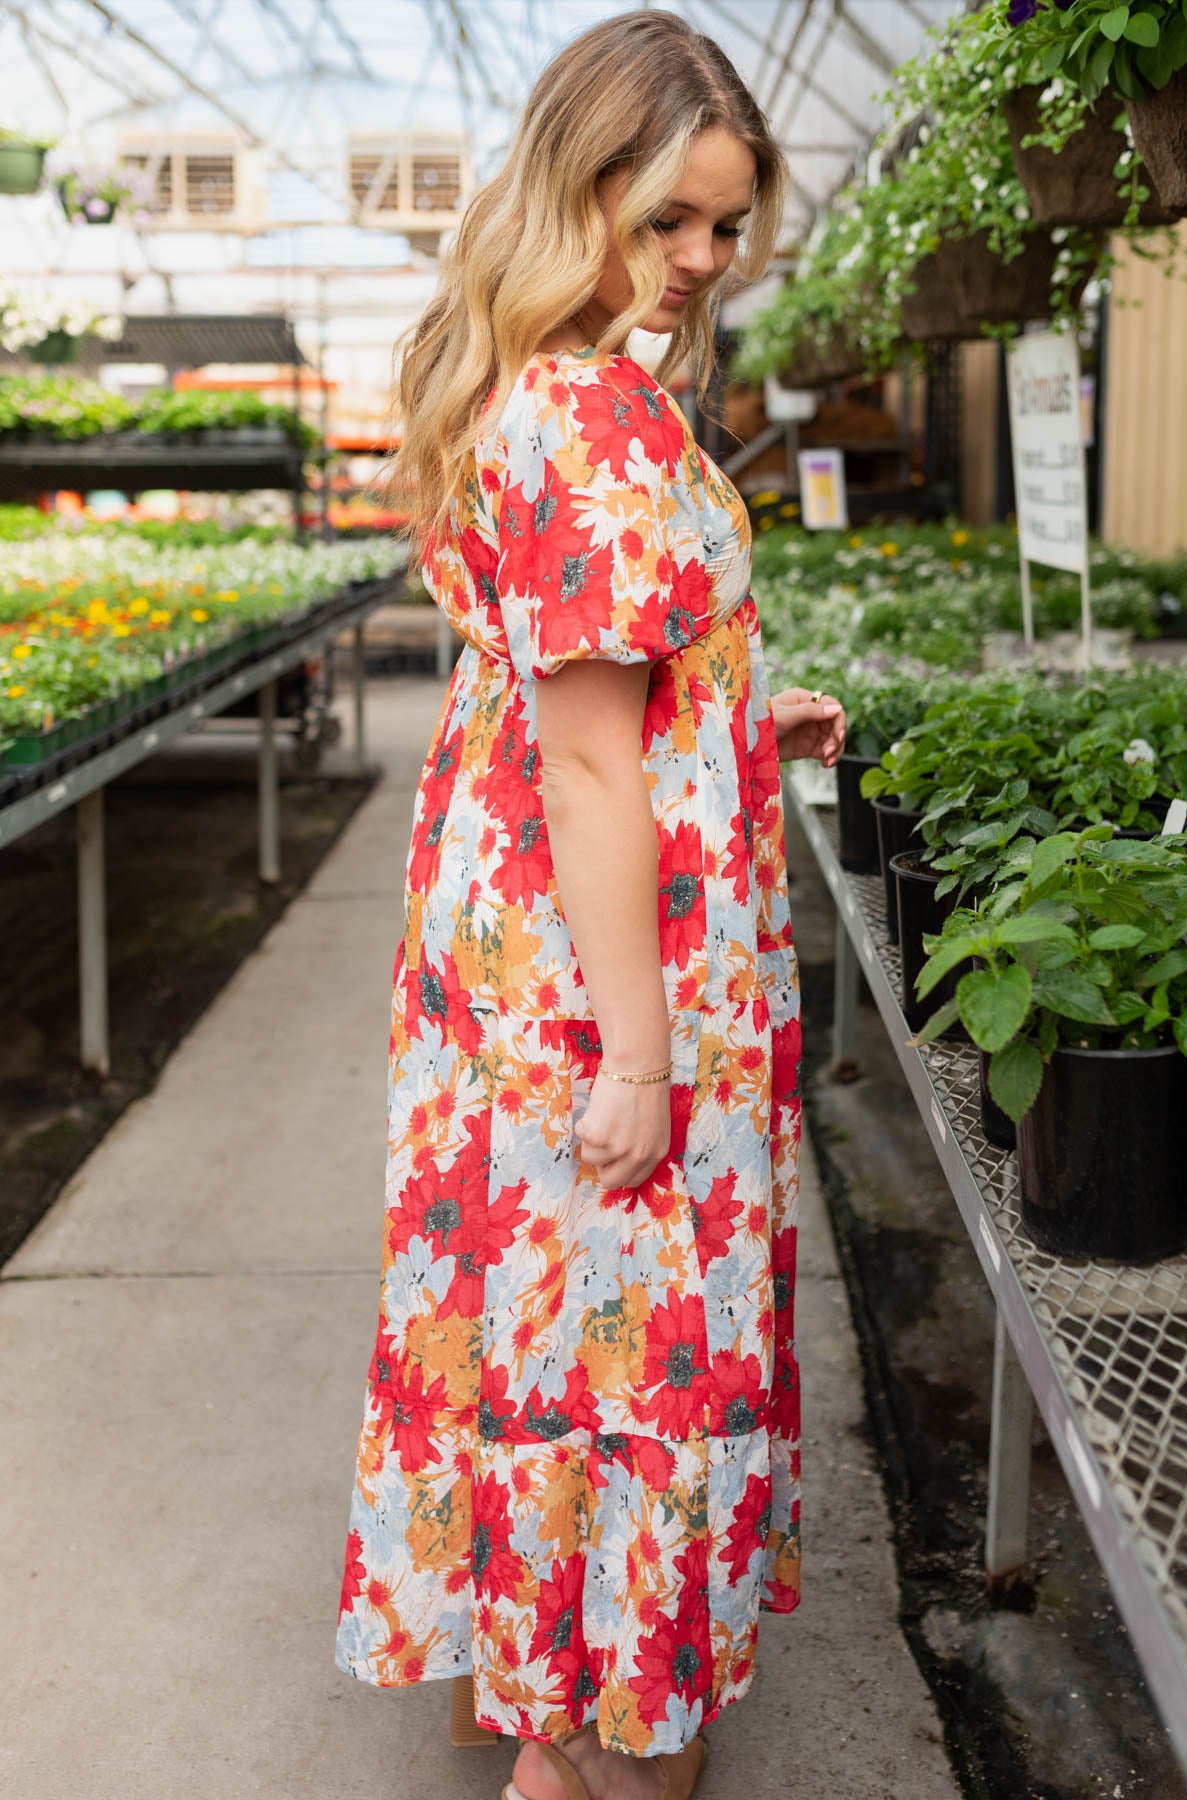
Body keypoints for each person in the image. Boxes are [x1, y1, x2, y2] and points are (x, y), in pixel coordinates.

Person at [334, 12, 846, 1798]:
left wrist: (724, 713)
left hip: (518, 928)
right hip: (599, 962)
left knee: (543, 1313)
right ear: (582, 193)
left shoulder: (524, 381)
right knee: (624, 1320)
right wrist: (639, 1050)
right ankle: (586, 1747)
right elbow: (584, 767)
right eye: (674, 223)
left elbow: (582, 695)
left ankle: (545, 1689)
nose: (706, 260)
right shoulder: (601, 419)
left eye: (726, 223)